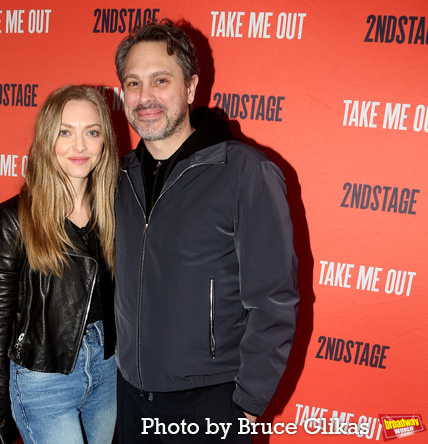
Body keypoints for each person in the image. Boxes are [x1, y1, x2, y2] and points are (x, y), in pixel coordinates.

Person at [113, 19, 299, 443]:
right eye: (133, 83)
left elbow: (274, 299)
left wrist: (248, 404)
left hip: (210, 403)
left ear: (191, 87)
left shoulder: (245, 173)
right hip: (131, 399)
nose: (145, 98)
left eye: (161, 80)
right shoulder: (119, 177)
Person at [0, 85, 119, 444]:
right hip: (44, 376)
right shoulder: (14, 219)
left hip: (106, 369)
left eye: (92, 132)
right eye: (65, 132)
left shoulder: (116, 211)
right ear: (46, 139)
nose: (79, 146)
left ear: (105, 141)